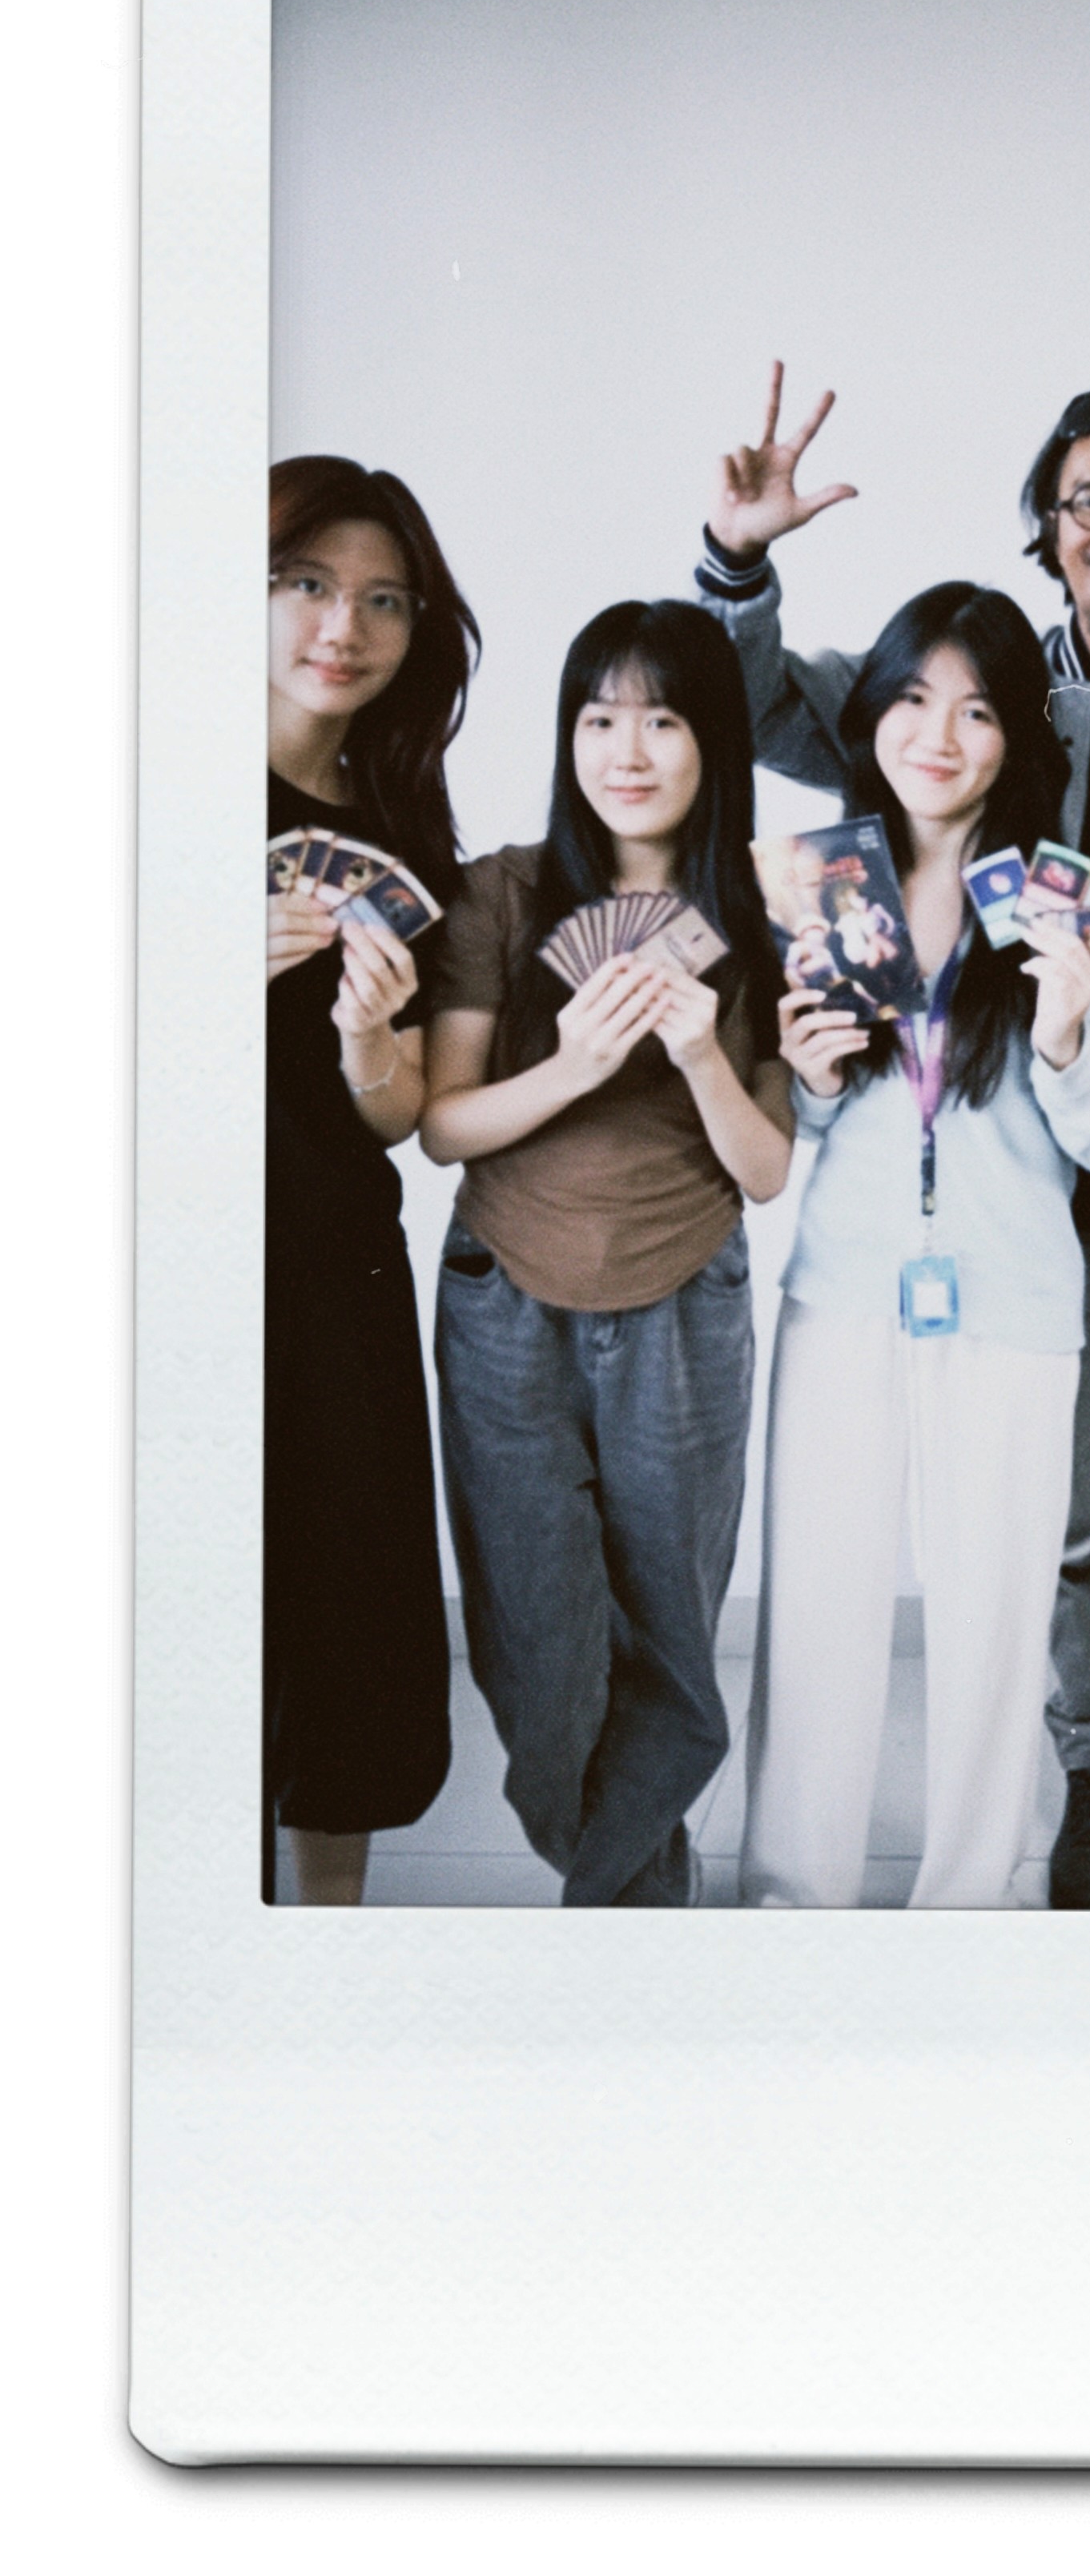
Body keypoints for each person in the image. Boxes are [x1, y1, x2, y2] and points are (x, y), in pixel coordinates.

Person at [695, 370, 1090, 1912]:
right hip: (979, 1228)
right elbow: (767, 699)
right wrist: (736, 564)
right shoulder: (978, 693)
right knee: (1063, 1531)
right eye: (1087, 500)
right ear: (1048, 529)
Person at [740, 584, 1090, 1910]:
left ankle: (970, 1901)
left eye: (978, 709)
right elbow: (805, 1123)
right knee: (815, 1618)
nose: (940, 732)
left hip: (1013, 1309)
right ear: (870, 716)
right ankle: (791, 1895)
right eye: (914, 697)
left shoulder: (1066, 894)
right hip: (844, 1295)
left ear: (1015, 737)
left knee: (991, 1624)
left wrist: (1069, 1033)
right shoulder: (818, 880)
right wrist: (805, 1077)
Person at [421, 603, 793, 1906]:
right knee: (536, 1642)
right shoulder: (507, 890)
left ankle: (617, 1920)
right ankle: (628, 1881)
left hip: (686, 1294)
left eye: (662, 716)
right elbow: (442, 1122)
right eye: (598, 716)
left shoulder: (761, 907)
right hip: (504, 1294)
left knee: (674, 1642)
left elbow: (763, 1166)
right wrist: (573, 1063)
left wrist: (696, 1049)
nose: (625, 748)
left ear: (713, 739)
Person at [265, 455, 479, 1906]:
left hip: (335, 1256)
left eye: (383, 598)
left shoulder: (404, 816)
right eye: (305, 583)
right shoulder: (124, 767)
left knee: (345, 1620)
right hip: (169, 1261)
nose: (343, 623)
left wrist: (364, 1046)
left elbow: (399, 1115)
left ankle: (321, 1943)